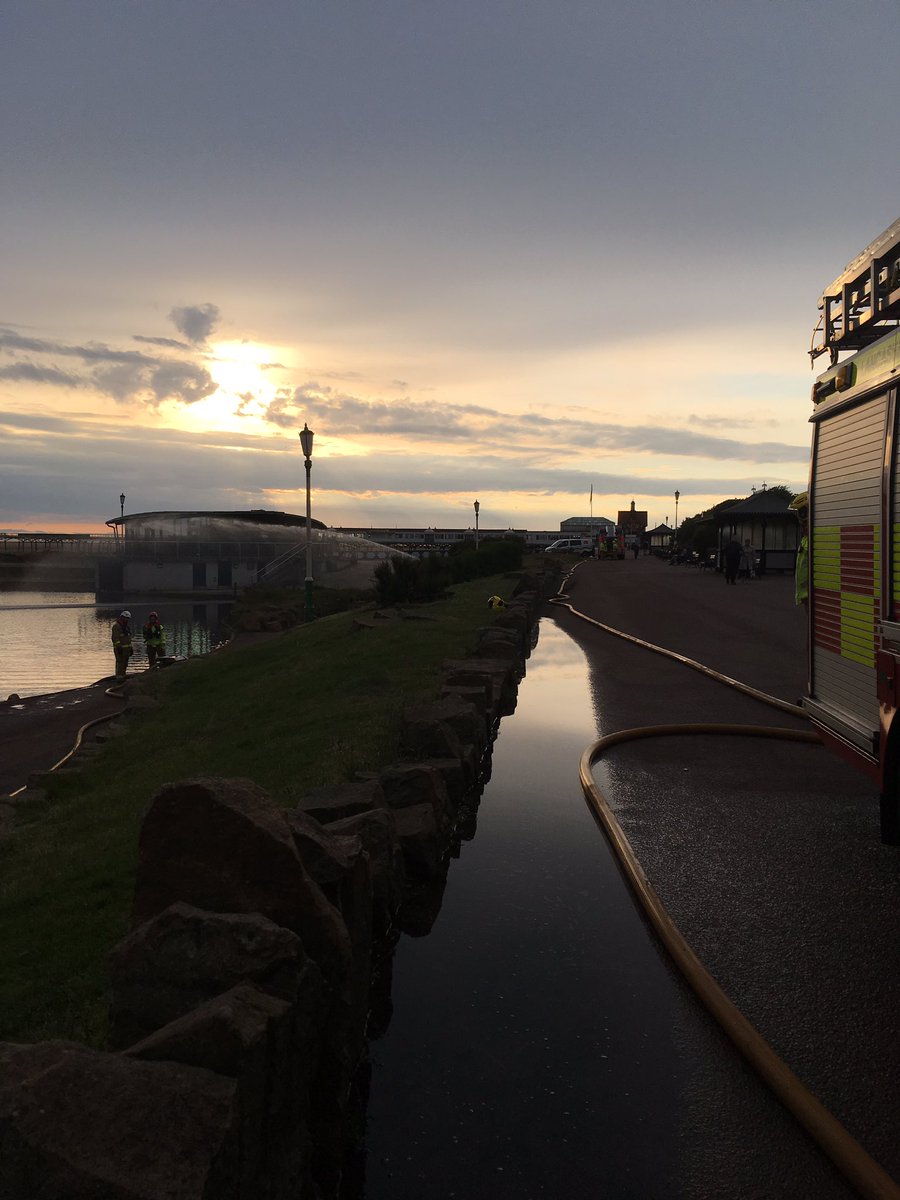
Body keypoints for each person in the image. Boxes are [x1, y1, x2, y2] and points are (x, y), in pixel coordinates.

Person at [791, 492, 809, 608]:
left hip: (811, 594)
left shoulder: (814, 539)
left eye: (800, 513)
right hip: (805, 595)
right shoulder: (805, 539)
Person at [111, 610, 133, 680]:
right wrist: (118, 646)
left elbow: (128, 638)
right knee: (120, 663)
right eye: (125, 618)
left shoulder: (126, 627)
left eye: (127, 618)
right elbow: (115, 638)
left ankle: (123, 676)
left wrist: (131, 647)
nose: (127, 620)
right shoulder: (116, 626)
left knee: (125, 663)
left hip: (126, 649)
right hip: (120, 649)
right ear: (122, 617)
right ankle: (119, 678)